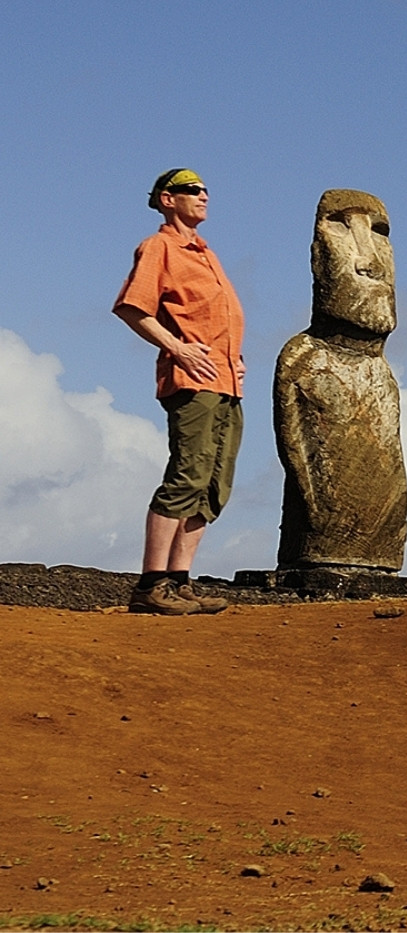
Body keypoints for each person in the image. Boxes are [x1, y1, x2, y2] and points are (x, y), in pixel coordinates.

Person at [112, 169, 245, 615]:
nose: (204, 195)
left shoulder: (206, 252)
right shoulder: (161, 247)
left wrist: (233, 358)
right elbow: (133, 308)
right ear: (168, 199)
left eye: (206, 189)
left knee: (213, 485)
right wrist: (178, 348)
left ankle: (179, 582)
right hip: (193, 382)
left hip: (226, 382)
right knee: (187, 475)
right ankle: (151, 585)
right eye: (193, 190)